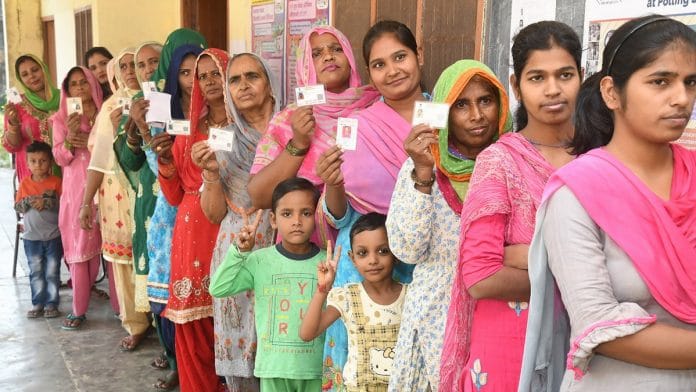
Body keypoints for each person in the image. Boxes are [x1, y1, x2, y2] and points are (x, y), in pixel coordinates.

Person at [519, 15, 696, 391]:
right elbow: (600, 327)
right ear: (612, 93)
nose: (681, 98)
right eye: (660, 81)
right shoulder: (576, 194)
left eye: (690, 82)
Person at [450, 21, 581, 391]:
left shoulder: (601, 156)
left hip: (587, 342)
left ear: (582, 77)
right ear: (516, 85)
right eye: (537, 77)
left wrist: (528, 255)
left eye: (565, 75)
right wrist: (570, 274)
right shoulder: (500, 162)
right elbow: (479, 275)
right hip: (509, 349)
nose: (553, 89)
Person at [386, 60, 512, 391]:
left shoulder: (513, 164)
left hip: (496, 312)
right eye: (461, 104)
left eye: (485, 100)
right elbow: (408, 250)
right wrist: (424, 174)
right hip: (433, 320)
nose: (476, 115)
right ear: (443, 112)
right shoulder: (421, 168)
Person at [315, 20, 424, 388]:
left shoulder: (446, 117)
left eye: (400, 57)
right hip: (364, 262)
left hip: (423, 264)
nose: (392, 70)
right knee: (356, 367)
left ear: (418, 56)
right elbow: (339, 214)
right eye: (379, 64)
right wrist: (333, 183)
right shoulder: (357, 126)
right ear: (369, 73)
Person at [126, 29, 207, 391]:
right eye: (185, 73)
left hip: (210, 211)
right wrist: (143, 130)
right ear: (173, 74)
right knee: (169, 300)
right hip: (169, 212)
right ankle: (178, 362)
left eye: (200, 72)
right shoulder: (162, 109)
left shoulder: (217, 108)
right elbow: (147, 158)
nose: (193, 81)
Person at [248, 25, 380, 245]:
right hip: (303, 245)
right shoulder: (288, 119)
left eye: (336, 49)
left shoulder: (374, 107)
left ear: (350, 59)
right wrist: (298, 143)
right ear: (304, 66)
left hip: (366, 242)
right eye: (316, 53)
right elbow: (259, 195)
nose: (328, 56)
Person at [193, 52, 278, 391]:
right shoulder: (221, 137)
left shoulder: (291, 128)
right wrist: (211, 174)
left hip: (288, 241)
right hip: (239, 246)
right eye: (235, 79)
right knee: (242, 338)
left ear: (269, 84)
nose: (243, 85)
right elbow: (214, 213)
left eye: (252, 76)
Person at [154, 48, 229, 392]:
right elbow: (174, 194)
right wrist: (166, 161)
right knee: (194, 330)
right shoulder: (189, 127)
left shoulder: (243, 125)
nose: (210, 81)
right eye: (203, 76)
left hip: (230, 226)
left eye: (217, 73)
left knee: (230, 321)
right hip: (190, 230)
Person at [210, 177, 327, 392]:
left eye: (306, 213)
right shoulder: (259, 260)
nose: (297, 221)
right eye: (287, 214)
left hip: (315, 369)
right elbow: (219, 287)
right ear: (273, 219)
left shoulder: (326, 263)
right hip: (273, 368)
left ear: (317, 217)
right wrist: (239, 252)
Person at [80, 47, 150, 350]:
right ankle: (135, 323)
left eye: (134, 64)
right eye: (123, 67)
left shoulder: (159, 99)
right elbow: (98, 159)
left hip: (150, 192)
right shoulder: (112, 107)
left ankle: (159, 322)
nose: (131, 71)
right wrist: (86, 202)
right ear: (114, 74)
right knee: (123, 264)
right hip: (116, 194)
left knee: (151, 257)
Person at [301, 212, 407, 392]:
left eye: (383, 251)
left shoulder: (410, 296)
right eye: (363, 253)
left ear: (395, 253)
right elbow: (307, 333)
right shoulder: (348, 297)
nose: (373, 260)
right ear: (353, 259)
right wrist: (322, 290)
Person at [51, 66, 105, 330]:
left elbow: (111, 147)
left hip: (107, 187)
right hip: (76, 191)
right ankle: (78, 308)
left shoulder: (105, 113)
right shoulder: (60, 119)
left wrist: (92, 138)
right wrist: (71, 140)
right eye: (74, 84)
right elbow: (59, 156)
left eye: (84, 82)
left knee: (110, 246)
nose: (80, 87)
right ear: (67, 90)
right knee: (80, 248)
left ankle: (121, 309)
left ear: (93, 84)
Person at [116, 41, 162, 315]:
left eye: (153, 61)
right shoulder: (134, 104)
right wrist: (135, 127)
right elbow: (130, 160)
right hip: (148, 197)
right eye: (141, 65)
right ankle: (162, 340)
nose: (147, 70)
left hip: (176, 196)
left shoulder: (181, 99)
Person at [15, 141, 63, 319]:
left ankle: (51, 303)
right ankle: (37, 303)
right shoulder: (24, 184)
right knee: (35, 271)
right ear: (27, 163)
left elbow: (63, 206)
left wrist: (47, 202)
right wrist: (28, 201)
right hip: (31, 238)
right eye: (33, 161)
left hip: (53, 237)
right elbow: (18, 207)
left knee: (52, 271)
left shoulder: (56, 182)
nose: (38, 165)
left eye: (42, 161)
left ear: (50, 162)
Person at [3, 54, 61, 181]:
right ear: (20, 79)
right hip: (33, 177)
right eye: (25, 74)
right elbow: (13, 146)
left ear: (44, 69)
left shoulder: (63, 98)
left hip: (65, 170)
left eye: (35, 70)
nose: (31, 76)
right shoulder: (17, 105)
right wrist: (13, 124)